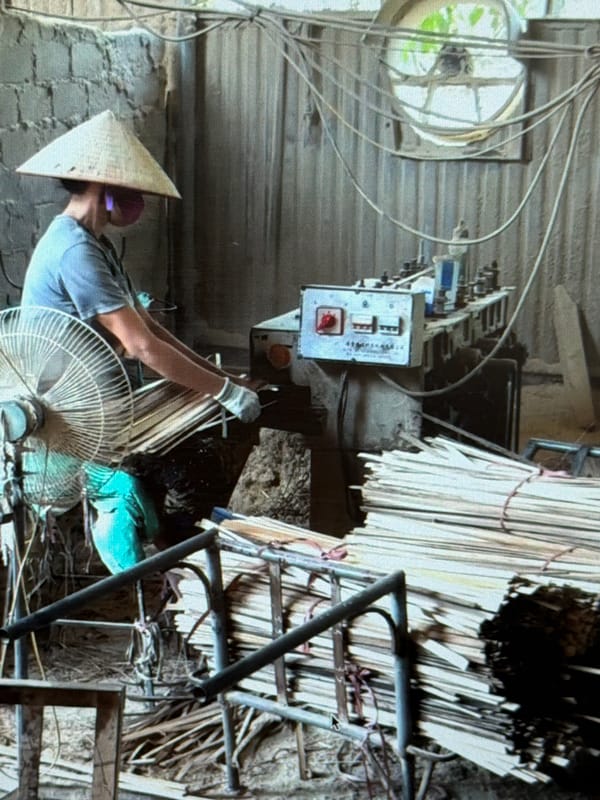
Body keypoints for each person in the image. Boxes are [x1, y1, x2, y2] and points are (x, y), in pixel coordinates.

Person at [17, 110, 262, 574]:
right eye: (128, 191)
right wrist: (223, 393)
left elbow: (151, 330)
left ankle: (169, 549)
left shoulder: (95, 243)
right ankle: (167, 564)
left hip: (101, 400)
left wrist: (222, 379)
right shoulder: (74, 251)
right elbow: (140, 347)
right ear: (102, 189)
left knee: (206, 449)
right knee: (196, 466)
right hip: (70, 419)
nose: (135, 202)